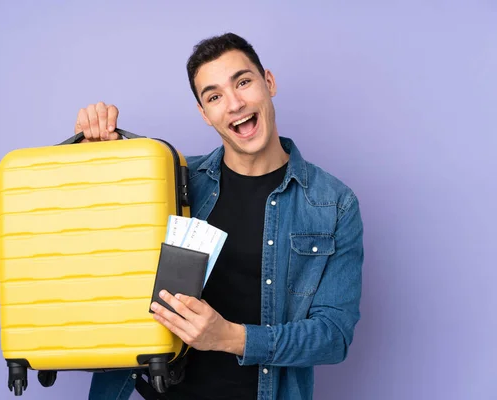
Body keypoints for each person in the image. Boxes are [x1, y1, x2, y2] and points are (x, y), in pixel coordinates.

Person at [75, 33, 364, 400]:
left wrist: (229, 337)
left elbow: (333, 336)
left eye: (243, 82)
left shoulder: (333, 204)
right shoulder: (170, 180)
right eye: (214, 96)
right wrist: (95, 157)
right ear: (203, 113)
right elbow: (95, 246)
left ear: (269, 83)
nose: (234, 104)